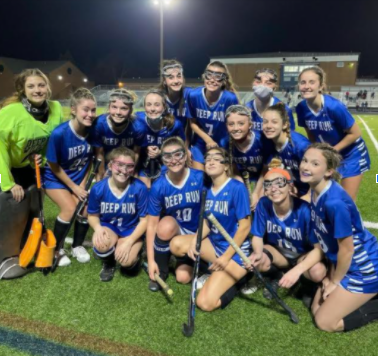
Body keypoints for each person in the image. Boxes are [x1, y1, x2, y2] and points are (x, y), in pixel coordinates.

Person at [300, 143, 378, 332]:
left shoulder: (334, 203)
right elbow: (330, 246)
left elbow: (347, 249)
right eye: (305, 160)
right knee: (316, 308)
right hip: (344, 265)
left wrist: (334, 282)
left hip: (363, 268)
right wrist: (330, 278)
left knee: (325, 322)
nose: (306, 167)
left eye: (315, 164)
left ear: (329, 171)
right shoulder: (316, 192)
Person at [170, 148, 251, 311]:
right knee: (176, 244)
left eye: (216, 159)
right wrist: (195, 241)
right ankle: (212, 271)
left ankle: (241, 280)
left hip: (236, 254)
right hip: (216, 246)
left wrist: (226, 258)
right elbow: (207, 222)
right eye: (208, 159)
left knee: (205, 303)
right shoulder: (208, 191)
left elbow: (245, 226)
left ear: (226, 166)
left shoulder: (237, 188)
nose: (211, 162)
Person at [0, 68, 62, 269]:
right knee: (12, 204)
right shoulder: (10, 112)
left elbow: (51, 140)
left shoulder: (56, 108)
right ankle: (6, 256)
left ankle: (31, 242)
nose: (37, 90)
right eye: (31, 86)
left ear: (48, 88)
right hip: (8, 167)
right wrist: (8, 182)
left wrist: (40, 156)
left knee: (34, 206)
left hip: (32, 166)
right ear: (22, 90)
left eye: (41, 85)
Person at [246, 159, 326, 305]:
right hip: (279, 254)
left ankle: (306, 284)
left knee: (317, 272)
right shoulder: (263, 204)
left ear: (290, 187)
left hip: (302, 255)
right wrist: (257, 252)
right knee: (256, 261)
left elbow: (319, 250)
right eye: (268, 185)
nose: (273, 188)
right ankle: (277, 275)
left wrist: (297, 270)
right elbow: (257, 236)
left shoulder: (305, 210)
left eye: (279, 183)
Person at [296, 66, 370, 201]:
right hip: (329, 155)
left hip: (351, 155)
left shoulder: (334, 107)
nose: (306, 86)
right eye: (303, 82)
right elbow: (311, 134)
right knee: (321, 197)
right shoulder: (301, 108)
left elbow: (355, 133)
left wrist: (332, 151)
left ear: (321, 86)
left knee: (345, 202)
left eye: (312, 82)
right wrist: (318, 153)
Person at [44, 88, 96, 267]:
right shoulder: (60, 134)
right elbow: (53, 165)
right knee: (70, 208)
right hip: (55, 179)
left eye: (93, 110)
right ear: (73, 109)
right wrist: (74, 187)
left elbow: (90, 160)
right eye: (85, 110)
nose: (90, 114)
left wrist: (83, 184)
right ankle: (56, 250)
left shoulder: (93, 131)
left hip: (78, 180)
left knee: (86, 208)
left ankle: (77, 245)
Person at [146, 137, 204, 291]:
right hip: (178, 232)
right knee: (165, 225)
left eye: (178, 154)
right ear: (163, 160)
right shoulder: (159, 186)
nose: (174, 160)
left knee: (183, 278)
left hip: (201, 231)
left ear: (185, 156)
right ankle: (162, 270)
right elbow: (152, 225)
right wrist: (151, 261)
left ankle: (193, 260)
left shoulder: (200, 178)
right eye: (167, 156)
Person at [87, 147, 148, 282]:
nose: (124, 171)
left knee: (126, 262)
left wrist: (130, 241)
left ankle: (137, 253)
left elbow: (145, 220)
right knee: (101, 244)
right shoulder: (98, 188)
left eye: (129, 166)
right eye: (119, 165)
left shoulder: (140, 188)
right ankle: (108, 263)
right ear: (110, 165)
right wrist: (98, 229)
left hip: (131, 229)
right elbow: (92, 215)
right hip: (110, 227)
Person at [187, 61, 239, 171]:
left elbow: (234, 125)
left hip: (222, 143)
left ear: (224, 81)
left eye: (218, 76)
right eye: (209, 74)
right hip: (200, 143)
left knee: (219, 177)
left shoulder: (230, 99)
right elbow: (192, 123)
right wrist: (208, 140)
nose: (212, 79)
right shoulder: (193, 95)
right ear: (204, 76)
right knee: (199, 178)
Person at [220, 104, 271, 210]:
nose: (236, 128)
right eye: (231, 124)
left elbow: (266, 169)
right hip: (242, 179)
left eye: (241, 123)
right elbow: (234, 170)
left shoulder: (262, 140)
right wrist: (244, 191)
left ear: (250, 124)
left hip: (263, 178)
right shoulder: (224, 142)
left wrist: (256, 193)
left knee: (262, 203)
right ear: (226, 126)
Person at [90, 88, 145, 181]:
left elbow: (136, 153)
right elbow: (100, 153)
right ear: (109, 107)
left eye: (124, 108)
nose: (118, 112)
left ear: (131, 110)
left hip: (127, 163)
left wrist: (130, 172)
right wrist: (101, 175)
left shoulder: (138, 126)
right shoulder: (99, 124)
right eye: (114, 107)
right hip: (107, 163)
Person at [137, 89, 185, 188]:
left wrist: (161, 152)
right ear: (144, 107)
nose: (152, 109)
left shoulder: (175, 125)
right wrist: (145, 148)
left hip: (167, 164)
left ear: (164, 107)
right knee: (144, 190)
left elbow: (181, 148)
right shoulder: (137, 120)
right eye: (149, 104)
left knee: (162, 190)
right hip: (143, 164)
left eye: (157, 105)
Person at [262, 103, 311, 199]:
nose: (268, 126)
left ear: (285, 125)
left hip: (312, 190)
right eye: (265, 122)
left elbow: (319, 176)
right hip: (293, 189)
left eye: (274, 122)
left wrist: (308, 196)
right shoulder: (267, 143)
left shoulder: (301, 146)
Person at [158, 59, 192, 144]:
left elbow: (190, 127)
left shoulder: (190, 95)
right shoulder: (158, 98)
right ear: (164, 81)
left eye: (179, 76)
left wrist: (186, 147)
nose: (176, 81)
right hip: (163, 141)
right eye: (171, 77)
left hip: (183, 141)